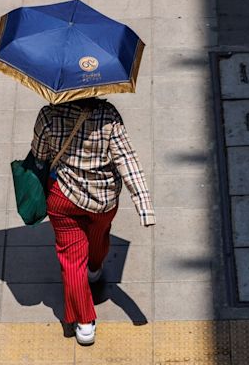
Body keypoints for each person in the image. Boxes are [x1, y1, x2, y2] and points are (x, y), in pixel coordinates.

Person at [31, 96, 155, 346]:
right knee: (100, 236)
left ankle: (84, 323)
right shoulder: (107, 115)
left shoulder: (48, 115)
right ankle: (96, 267)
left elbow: (39, 154)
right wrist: (144, 206)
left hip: (62, 197)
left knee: (71, 260)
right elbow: (127, 160)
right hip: (103, 199)